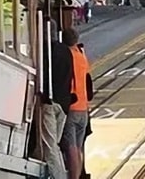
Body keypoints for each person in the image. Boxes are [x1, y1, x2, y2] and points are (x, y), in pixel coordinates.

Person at [39, 22, 75, 179]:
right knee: (55, 145)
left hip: (50, 102)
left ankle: (59, 176)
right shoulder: (66, 51)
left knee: (50, 146)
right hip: (64, 104)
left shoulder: (45, 50)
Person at [62, 28, 94, 179]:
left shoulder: (67, 56)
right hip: (84, 108)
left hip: (72, 107)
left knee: (71, 147)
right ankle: (80, 175)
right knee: (79, 147)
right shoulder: (82, 56)